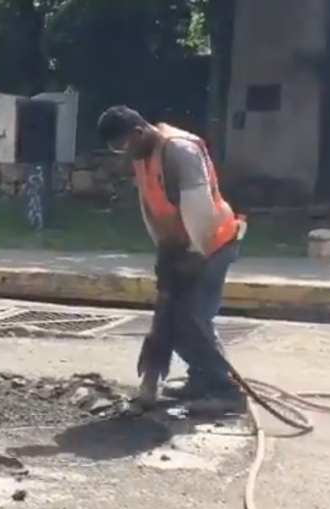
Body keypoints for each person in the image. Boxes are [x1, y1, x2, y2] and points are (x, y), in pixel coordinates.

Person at [96, 105, 248, 413]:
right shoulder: (143, 155)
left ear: (138, 132)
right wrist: (166, 251)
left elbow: (200, 206)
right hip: (180, 246)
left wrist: (194, 252)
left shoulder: (180, 150)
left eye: (123, 146)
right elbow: (152, 207)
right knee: (170, 318)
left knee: (192, 317)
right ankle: (201, 379)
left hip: (212, 242)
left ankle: (226, 392)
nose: (123, 155)